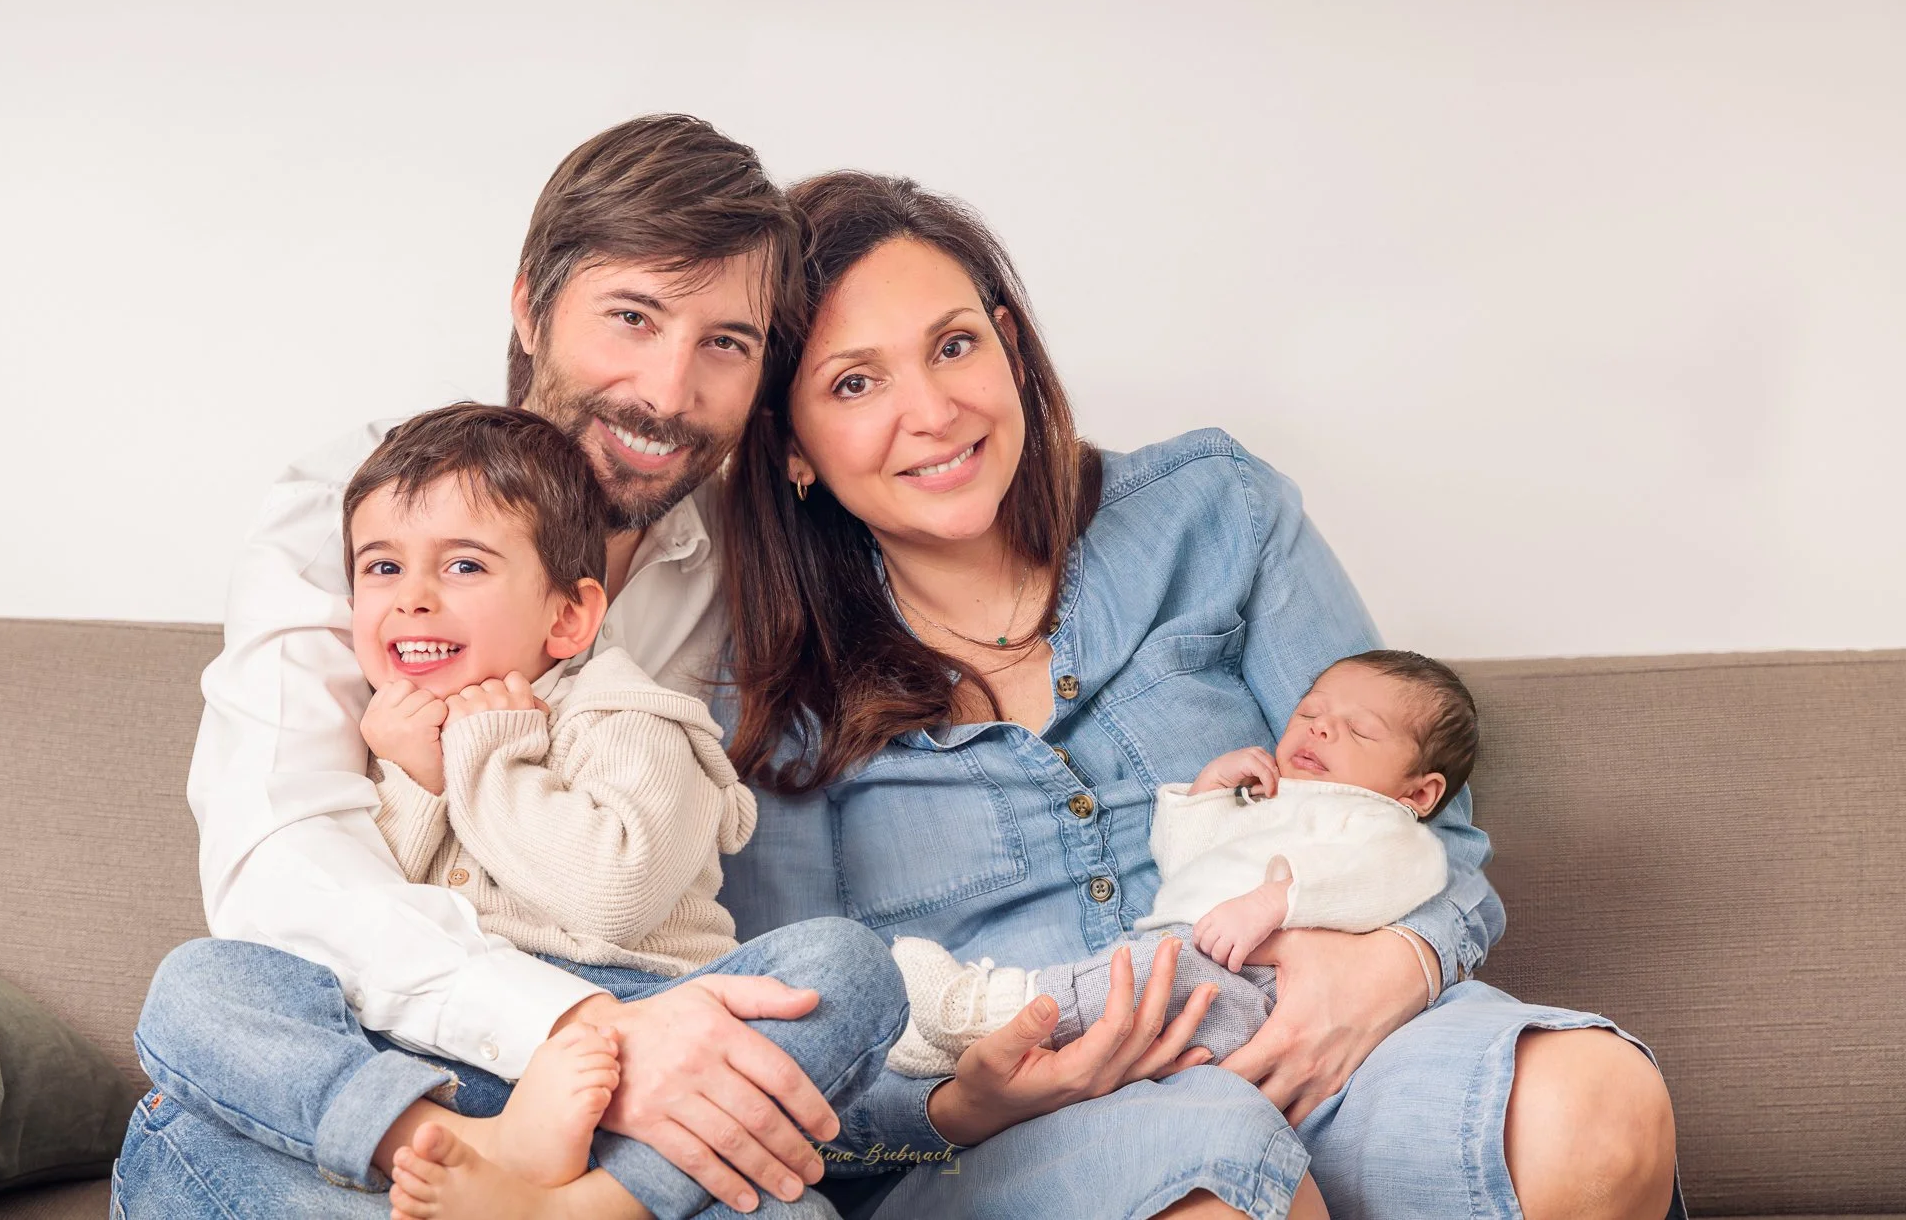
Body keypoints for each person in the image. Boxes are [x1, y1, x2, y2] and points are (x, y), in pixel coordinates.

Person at [715, 171, 1683, 1220]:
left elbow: (1427, 826)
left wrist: (1394, 965)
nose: (934, 412)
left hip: (1313, 1042)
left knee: (1598, 1110)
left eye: (953, 346)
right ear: (791, 444)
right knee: (1216, 1192)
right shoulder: (762, 681)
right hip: (1027, 1141)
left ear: (1008, 346)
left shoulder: (1216, 512)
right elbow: (794, 1060)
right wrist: (958, 1107)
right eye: (855, 383)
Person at [116, 117, 909, 1220]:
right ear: (531, 306)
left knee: (830, 1018)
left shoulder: (756, 555)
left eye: (724, 343)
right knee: (204, 1015)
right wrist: (573, 1030)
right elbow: (277, 866)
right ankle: (488, 1170)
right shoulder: (357, 510)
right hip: (422, 1060)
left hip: (637, 1045)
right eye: (631, 317)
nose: (666, 392)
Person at [884, 650, 1468, 1078]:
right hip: (1207, 959)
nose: (1319, 727)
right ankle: (968, 1045)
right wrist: (1208, 795)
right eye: (1309, 712)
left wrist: (1274, 902)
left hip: (1271, 990)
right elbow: (1185, 870)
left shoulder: (1379, 822)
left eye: (1359, 731)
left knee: (1143, 977)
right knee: (1131, 977)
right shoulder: (1271, 800)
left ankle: (984, 1013)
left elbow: (1386, 874)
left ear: (1419, 793)